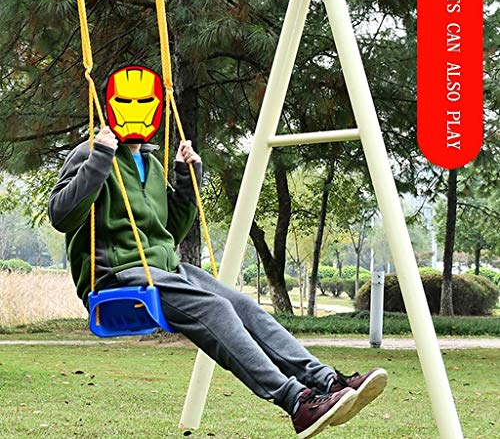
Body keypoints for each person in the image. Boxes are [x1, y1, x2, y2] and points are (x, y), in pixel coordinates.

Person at [48, 66, 387, 438]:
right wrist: (100, 157)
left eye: (144, 102)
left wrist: (186, 178)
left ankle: (326, 381)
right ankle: (297, 402)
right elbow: (62, 215)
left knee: (242, 306)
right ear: (110, 106)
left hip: (166, 269)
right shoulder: (90, 152)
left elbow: (169, 231)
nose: (135, 110)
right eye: (125, 102)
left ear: (157, 108)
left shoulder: (152, 163)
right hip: (118, 276)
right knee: (216, 308)